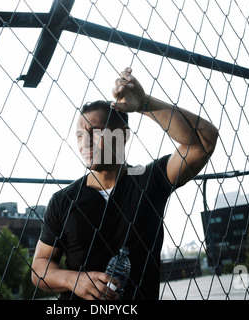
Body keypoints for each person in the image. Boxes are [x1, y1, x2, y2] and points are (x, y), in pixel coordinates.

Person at [31, 67, 219, 300]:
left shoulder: (149, 180)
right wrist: (73, 280)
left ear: (123, 135)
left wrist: (144, 104)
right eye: (80, 135)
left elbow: (203, 142)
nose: (85, 142)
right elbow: (40, 266)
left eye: (96, 132)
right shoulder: (63, 200)